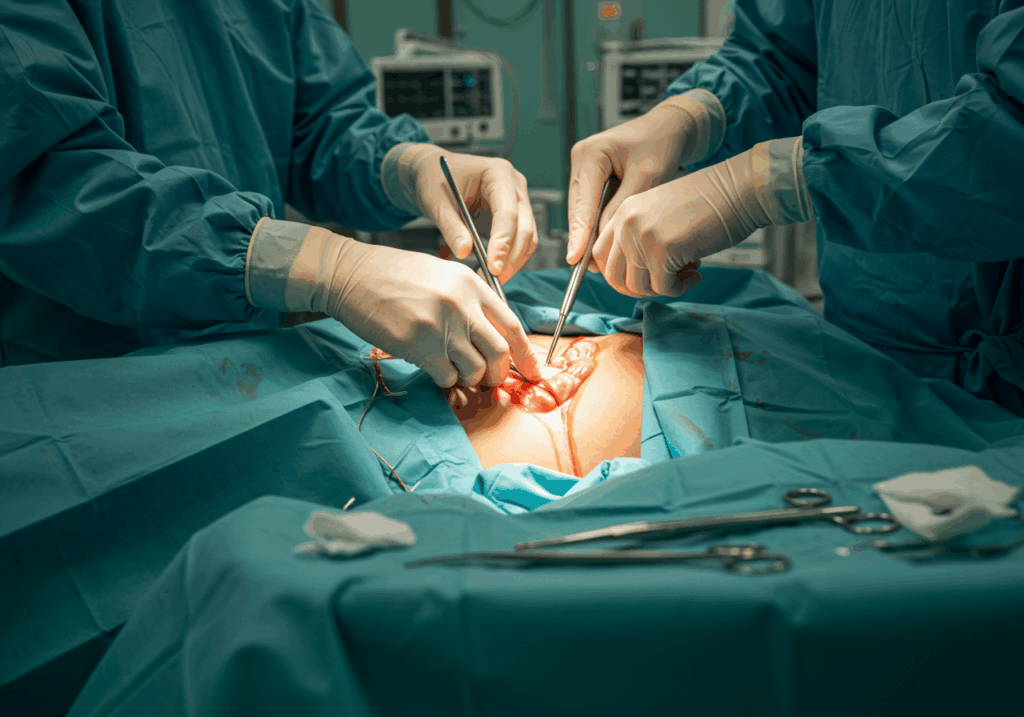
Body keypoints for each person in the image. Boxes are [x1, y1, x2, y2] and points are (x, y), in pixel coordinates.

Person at [0, 0, 541, 387]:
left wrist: (407, 164)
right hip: (83, 382)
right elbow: (48, 177)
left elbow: (317, 127)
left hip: (250, 363)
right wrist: (326, 266)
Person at [567, 0, 1024, 415]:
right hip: (868, 349)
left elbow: (1007, 140)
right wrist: (693, 114)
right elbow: (780, 57)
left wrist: (768, 181)